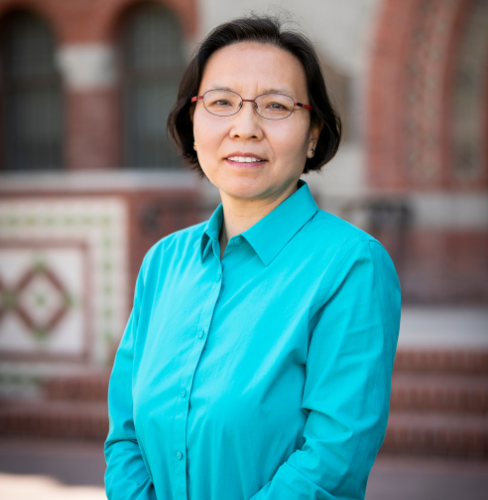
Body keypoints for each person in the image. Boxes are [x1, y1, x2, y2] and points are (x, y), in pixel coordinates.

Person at [104, 15, 401, 500]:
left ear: (312, 134)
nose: (245, 127)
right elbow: (125, 434)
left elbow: (331, 462)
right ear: (192, 122)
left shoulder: (351, 266)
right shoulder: (163, 263)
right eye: (221, 103)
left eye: (276, 106)